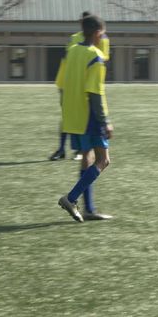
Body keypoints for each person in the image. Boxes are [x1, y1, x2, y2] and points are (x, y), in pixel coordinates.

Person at [55, 14, 114, 222]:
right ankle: (71, 198)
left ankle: (89, 209)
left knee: (87, 159)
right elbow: (95, 93)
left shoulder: (72, 51)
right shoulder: (95, 57)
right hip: (90, 116)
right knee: (103, 160)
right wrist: (105, 121)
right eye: (103, 34)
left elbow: (63, 82)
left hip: (73, 115)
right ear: (97, 33)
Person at [50, 11, 111, 161]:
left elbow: (101, 58)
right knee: (74, 116)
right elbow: (68, 60)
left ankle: (75, 150)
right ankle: (65, 149)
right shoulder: (77, 39)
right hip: (74, 82)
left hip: (76, 80)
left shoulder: (94, 40)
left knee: (73, 116)